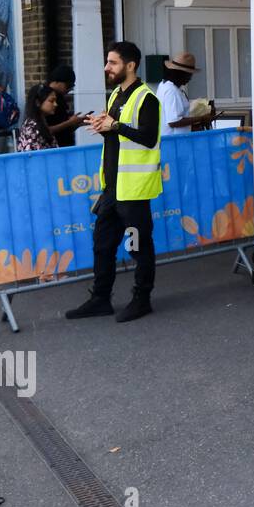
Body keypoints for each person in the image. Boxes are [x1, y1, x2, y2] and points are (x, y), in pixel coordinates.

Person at [64, 42, 162, 324]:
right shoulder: (117, 95)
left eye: (113, 63)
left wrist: (115, 126)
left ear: (130, 66)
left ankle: (141, 299)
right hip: (113, 187)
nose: (107, 68)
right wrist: (102, 125)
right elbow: (116, 134)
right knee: (102, 244)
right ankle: (100, 299)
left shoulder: (147, 98)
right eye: (107, 62)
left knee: (138, 246)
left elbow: (148, 137)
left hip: (132, 189)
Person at [156, 51, 215, 135]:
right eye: (189, 75)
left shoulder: (164, 85)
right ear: (180, 74)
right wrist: (201, 118)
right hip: (174, 142)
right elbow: (173, 122)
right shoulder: (172, 91)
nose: (190, 78)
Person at [45, 65, 86, 147]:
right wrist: (69, 122)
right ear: (56, 81)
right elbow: (45, 130)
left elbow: (62, 129)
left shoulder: (60, 97)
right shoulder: (44, 96)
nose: (55, 104)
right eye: (68, 85)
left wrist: (76, 123)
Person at [16, 84, 61, 152]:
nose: (55, 104)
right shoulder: (32, 128)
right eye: (51, 101)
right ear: (37, 102)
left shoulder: (40, 122)